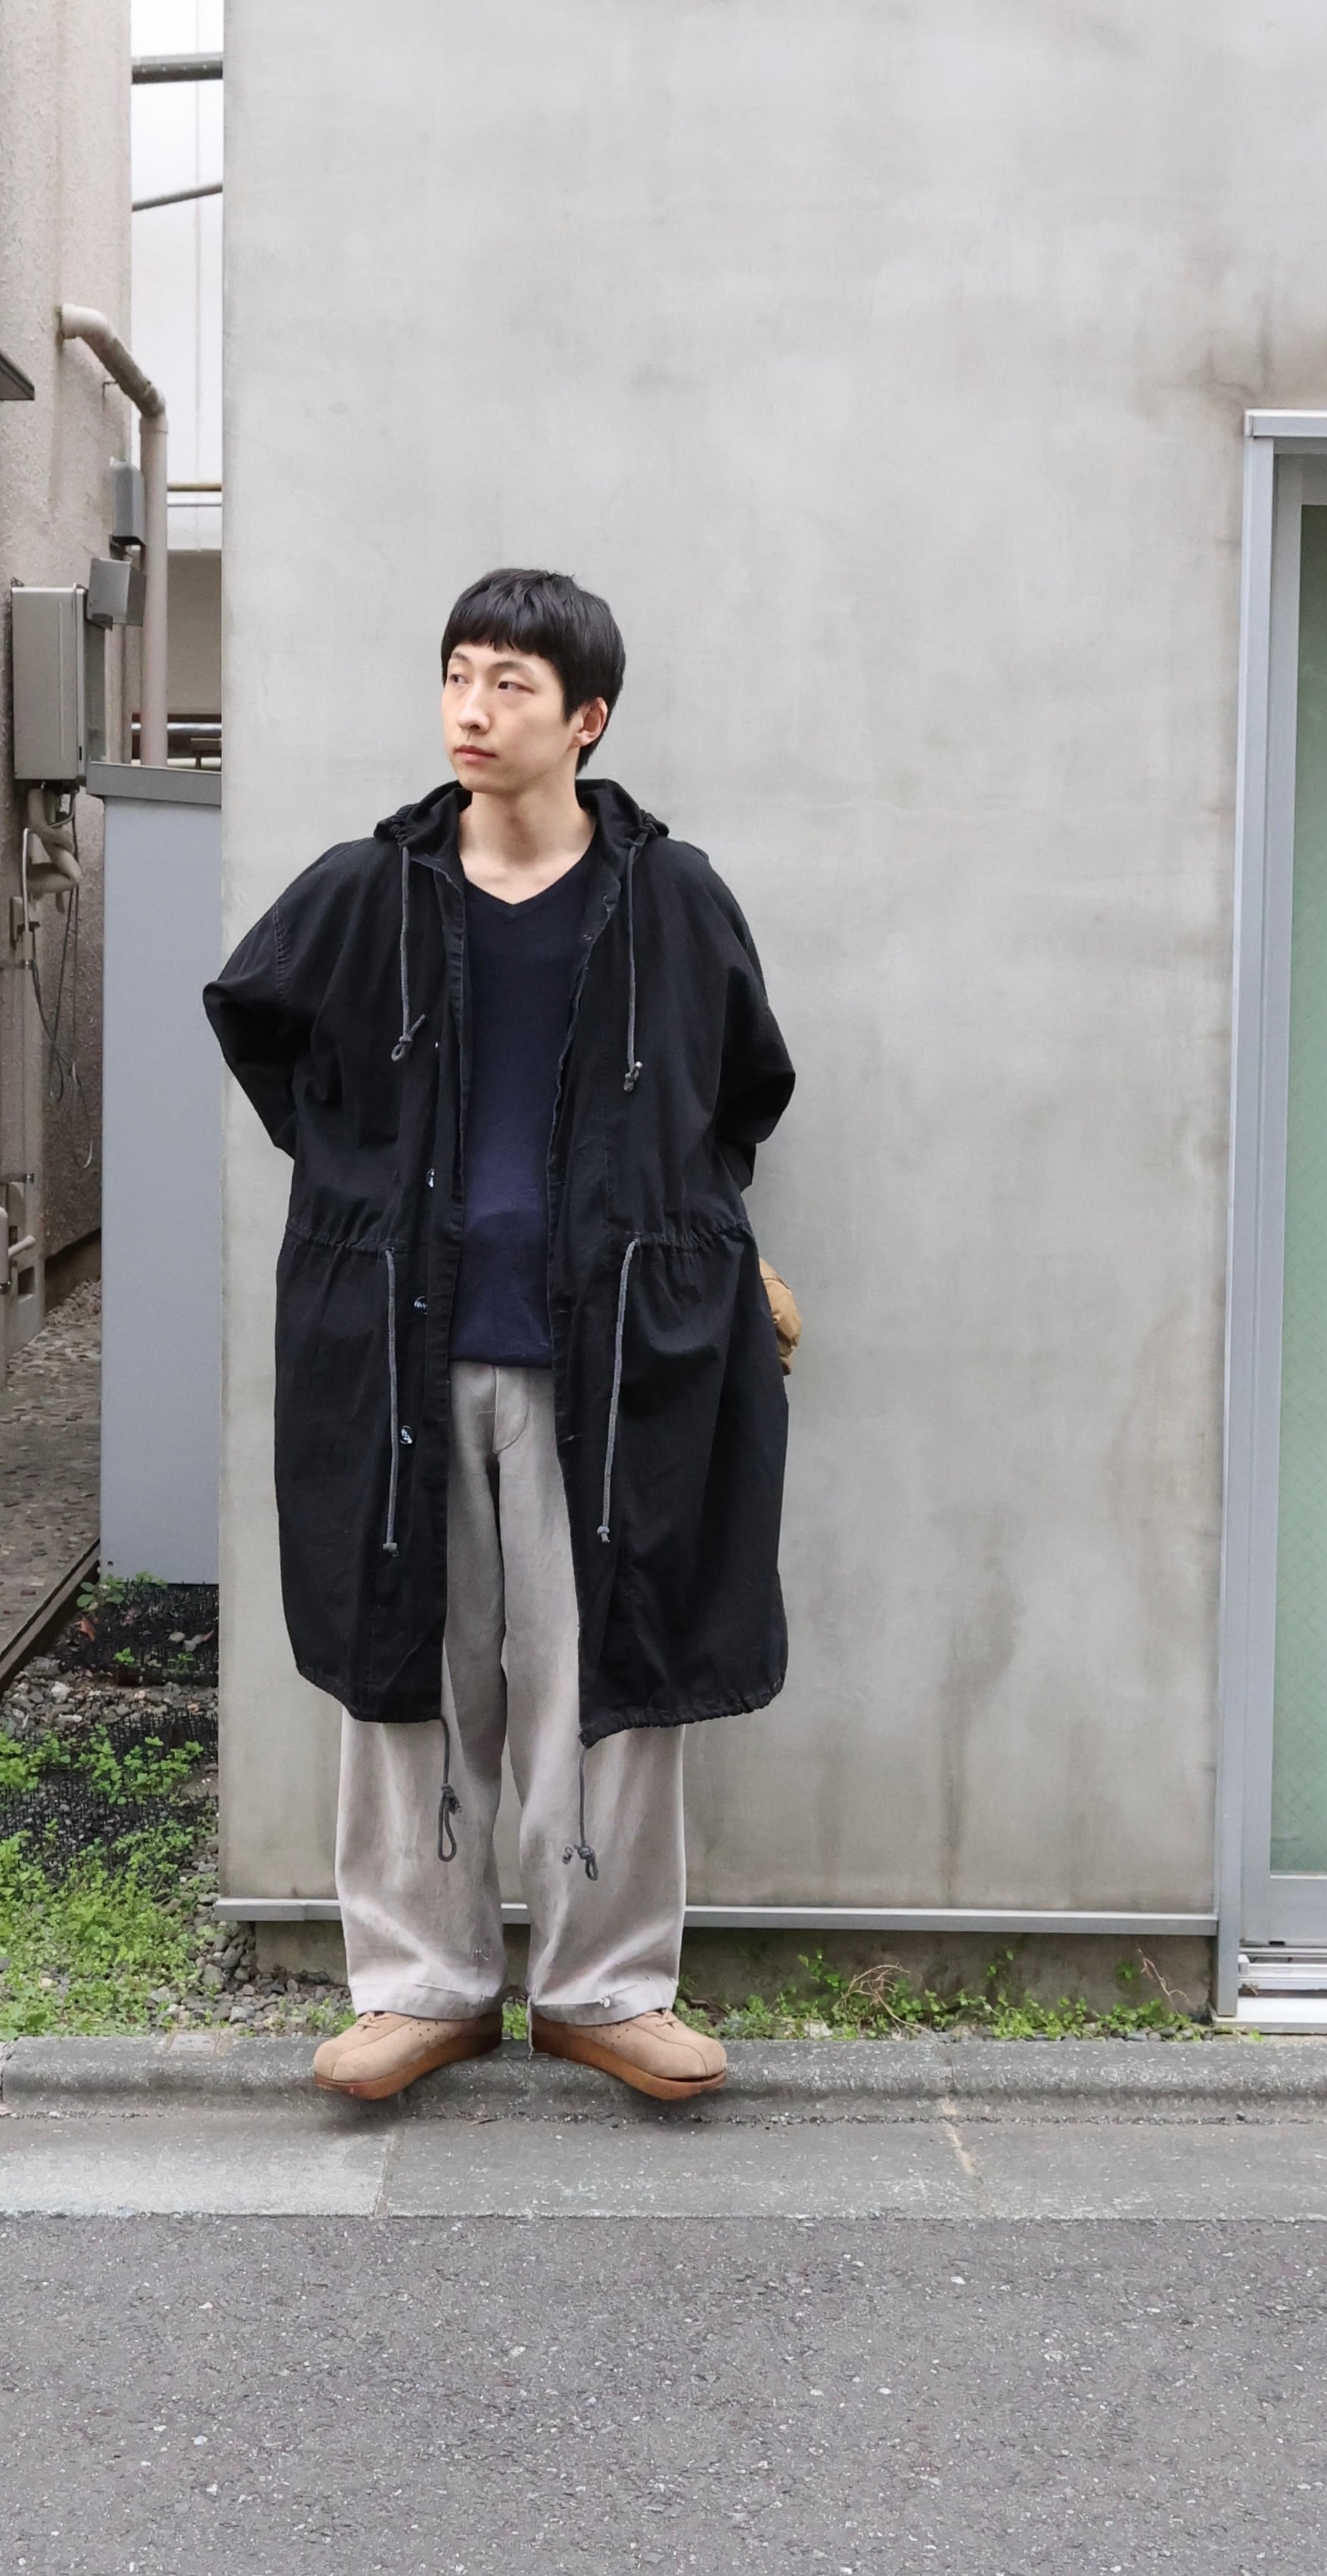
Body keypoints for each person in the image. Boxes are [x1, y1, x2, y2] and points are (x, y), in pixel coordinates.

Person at [204, 567, 795, 2103]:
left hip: (609, 1354)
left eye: (508, 683)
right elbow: (255, 1018)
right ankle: (424, 1983)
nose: (470, 708)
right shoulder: (369, 890)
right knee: (407, 1658)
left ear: (585, 718)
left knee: (608, 1665)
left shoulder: (670, 898)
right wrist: (360, 1175)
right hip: (403, 1348)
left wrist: (696, 1239)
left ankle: (604, 1987)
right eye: (456, 674)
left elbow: (740, 1089)